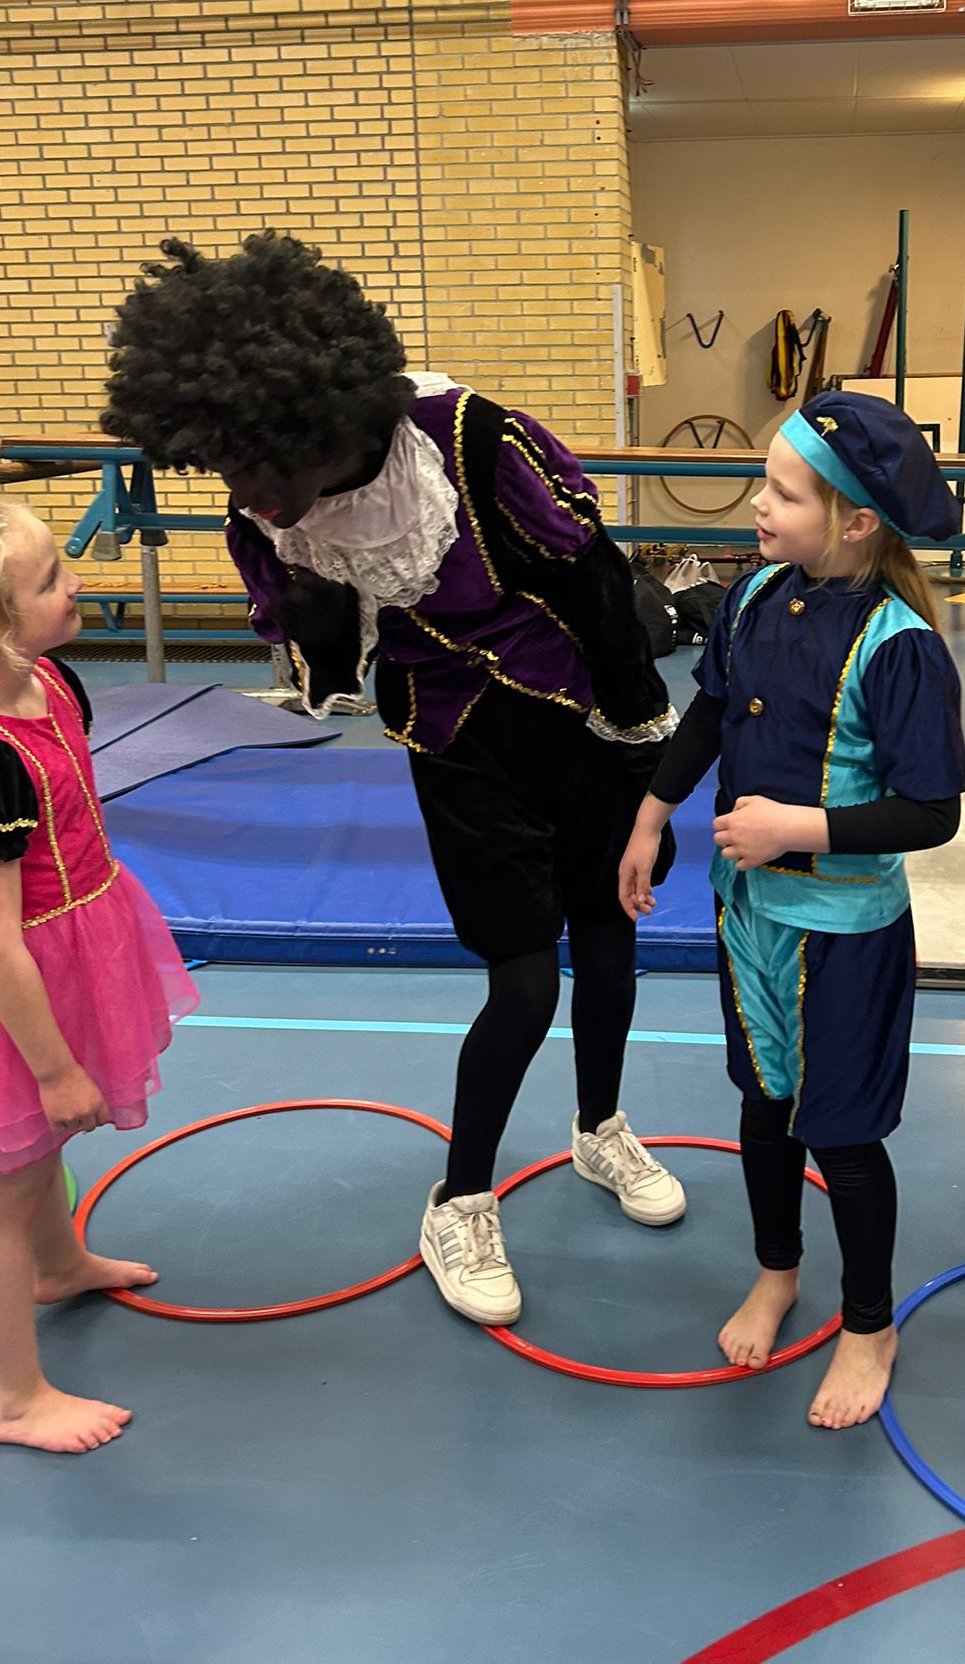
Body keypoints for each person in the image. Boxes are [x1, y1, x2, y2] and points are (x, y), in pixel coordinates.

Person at [103, 233, 684, 1327]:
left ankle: (600, 1128)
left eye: (263, 469)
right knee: (526, 983)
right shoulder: (267, 512)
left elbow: (596, 582)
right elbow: (322, 649)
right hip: (457, 742)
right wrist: (313, 616)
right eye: (228, 471)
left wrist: (643, 736)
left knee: (611, 946)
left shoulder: (469, 441)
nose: (250, 496)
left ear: (321, 422)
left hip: (580, 718)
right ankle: (459, 1198)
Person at [620, 391, 965, 1429]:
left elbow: (932, 811)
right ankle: (778, 1268)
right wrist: (650, 814)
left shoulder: (901, 645)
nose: (757, 506)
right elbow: (712, 711)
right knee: (764, 1104)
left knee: (842, 1134)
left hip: (843, 932)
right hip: (750, 915)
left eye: (782, 492)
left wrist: (796, 828)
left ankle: (870, 1321)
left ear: (855, 520)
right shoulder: (755, 595)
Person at [0, 495, 197, 1453]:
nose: (77, 585)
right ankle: (12, 1397)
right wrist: (53, 1067)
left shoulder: (49, 677)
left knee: (42, 1152)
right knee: (6, 1183)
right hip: (11, 981)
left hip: (73, 943)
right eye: (52, 581)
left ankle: (59, 1264)